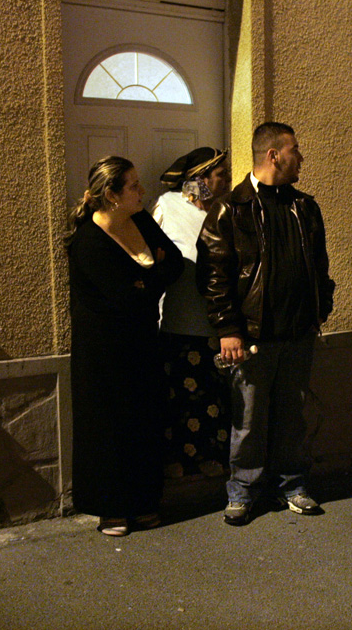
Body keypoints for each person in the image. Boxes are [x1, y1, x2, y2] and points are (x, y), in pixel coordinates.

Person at [197, 122, 335, 526]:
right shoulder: (231, 207)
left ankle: (292, 485)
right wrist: (228, 329)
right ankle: (242, 491)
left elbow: (320, 265)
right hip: (253, 338)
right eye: (295, 149)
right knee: (249, 420)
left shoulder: (305, 206)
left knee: (292, 417)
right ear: (274, 155)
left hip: (298, 334)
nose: (301, 158)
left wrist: (319, 308)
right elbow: (213, 274)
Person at [66, 156, 183, 536]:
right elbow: (123, 297)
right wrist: (150, 277)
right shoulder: (88, 241)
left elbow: (175, 263)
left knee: (145, 421)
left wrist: (146, 280)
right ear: (112, 195)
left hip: (144, 342)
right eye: (133, 186)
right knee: (108, 428)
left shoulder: (143, 222)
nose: (142, 191)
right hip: (103, 353)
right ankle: (112, 508)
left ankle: (144, 501)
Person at [151, 147, 232, 478]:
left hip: (217, 324)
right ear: (201, 178)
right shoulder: (168, 206)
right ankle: (178, 461)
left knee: (215, 397)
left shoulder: (226, 210)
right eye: (221, 174)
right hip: (178, 322)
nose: (226, 179)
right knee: (180, 398)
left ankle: (212, 458)